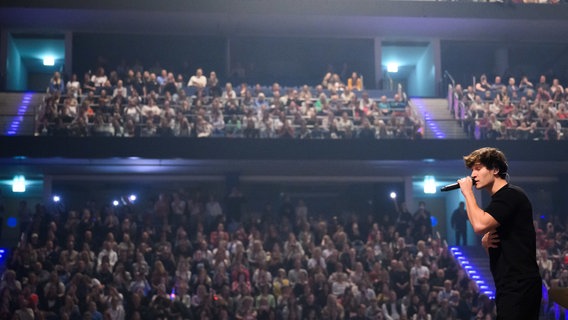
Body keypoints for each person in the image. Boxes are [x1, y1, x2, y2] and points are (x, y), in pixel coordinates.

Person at [457, 147, 541, 320]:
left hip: (519, 285)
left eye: (478, 168)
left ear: (495, 169)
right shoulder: (499, 201)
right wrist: (487, 244)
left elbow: (479, 225)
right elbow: (505, 246)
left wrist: (467, 194)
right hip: (508, 285)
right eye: (472, 169)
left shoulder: (510, 195)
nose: (473, 174)